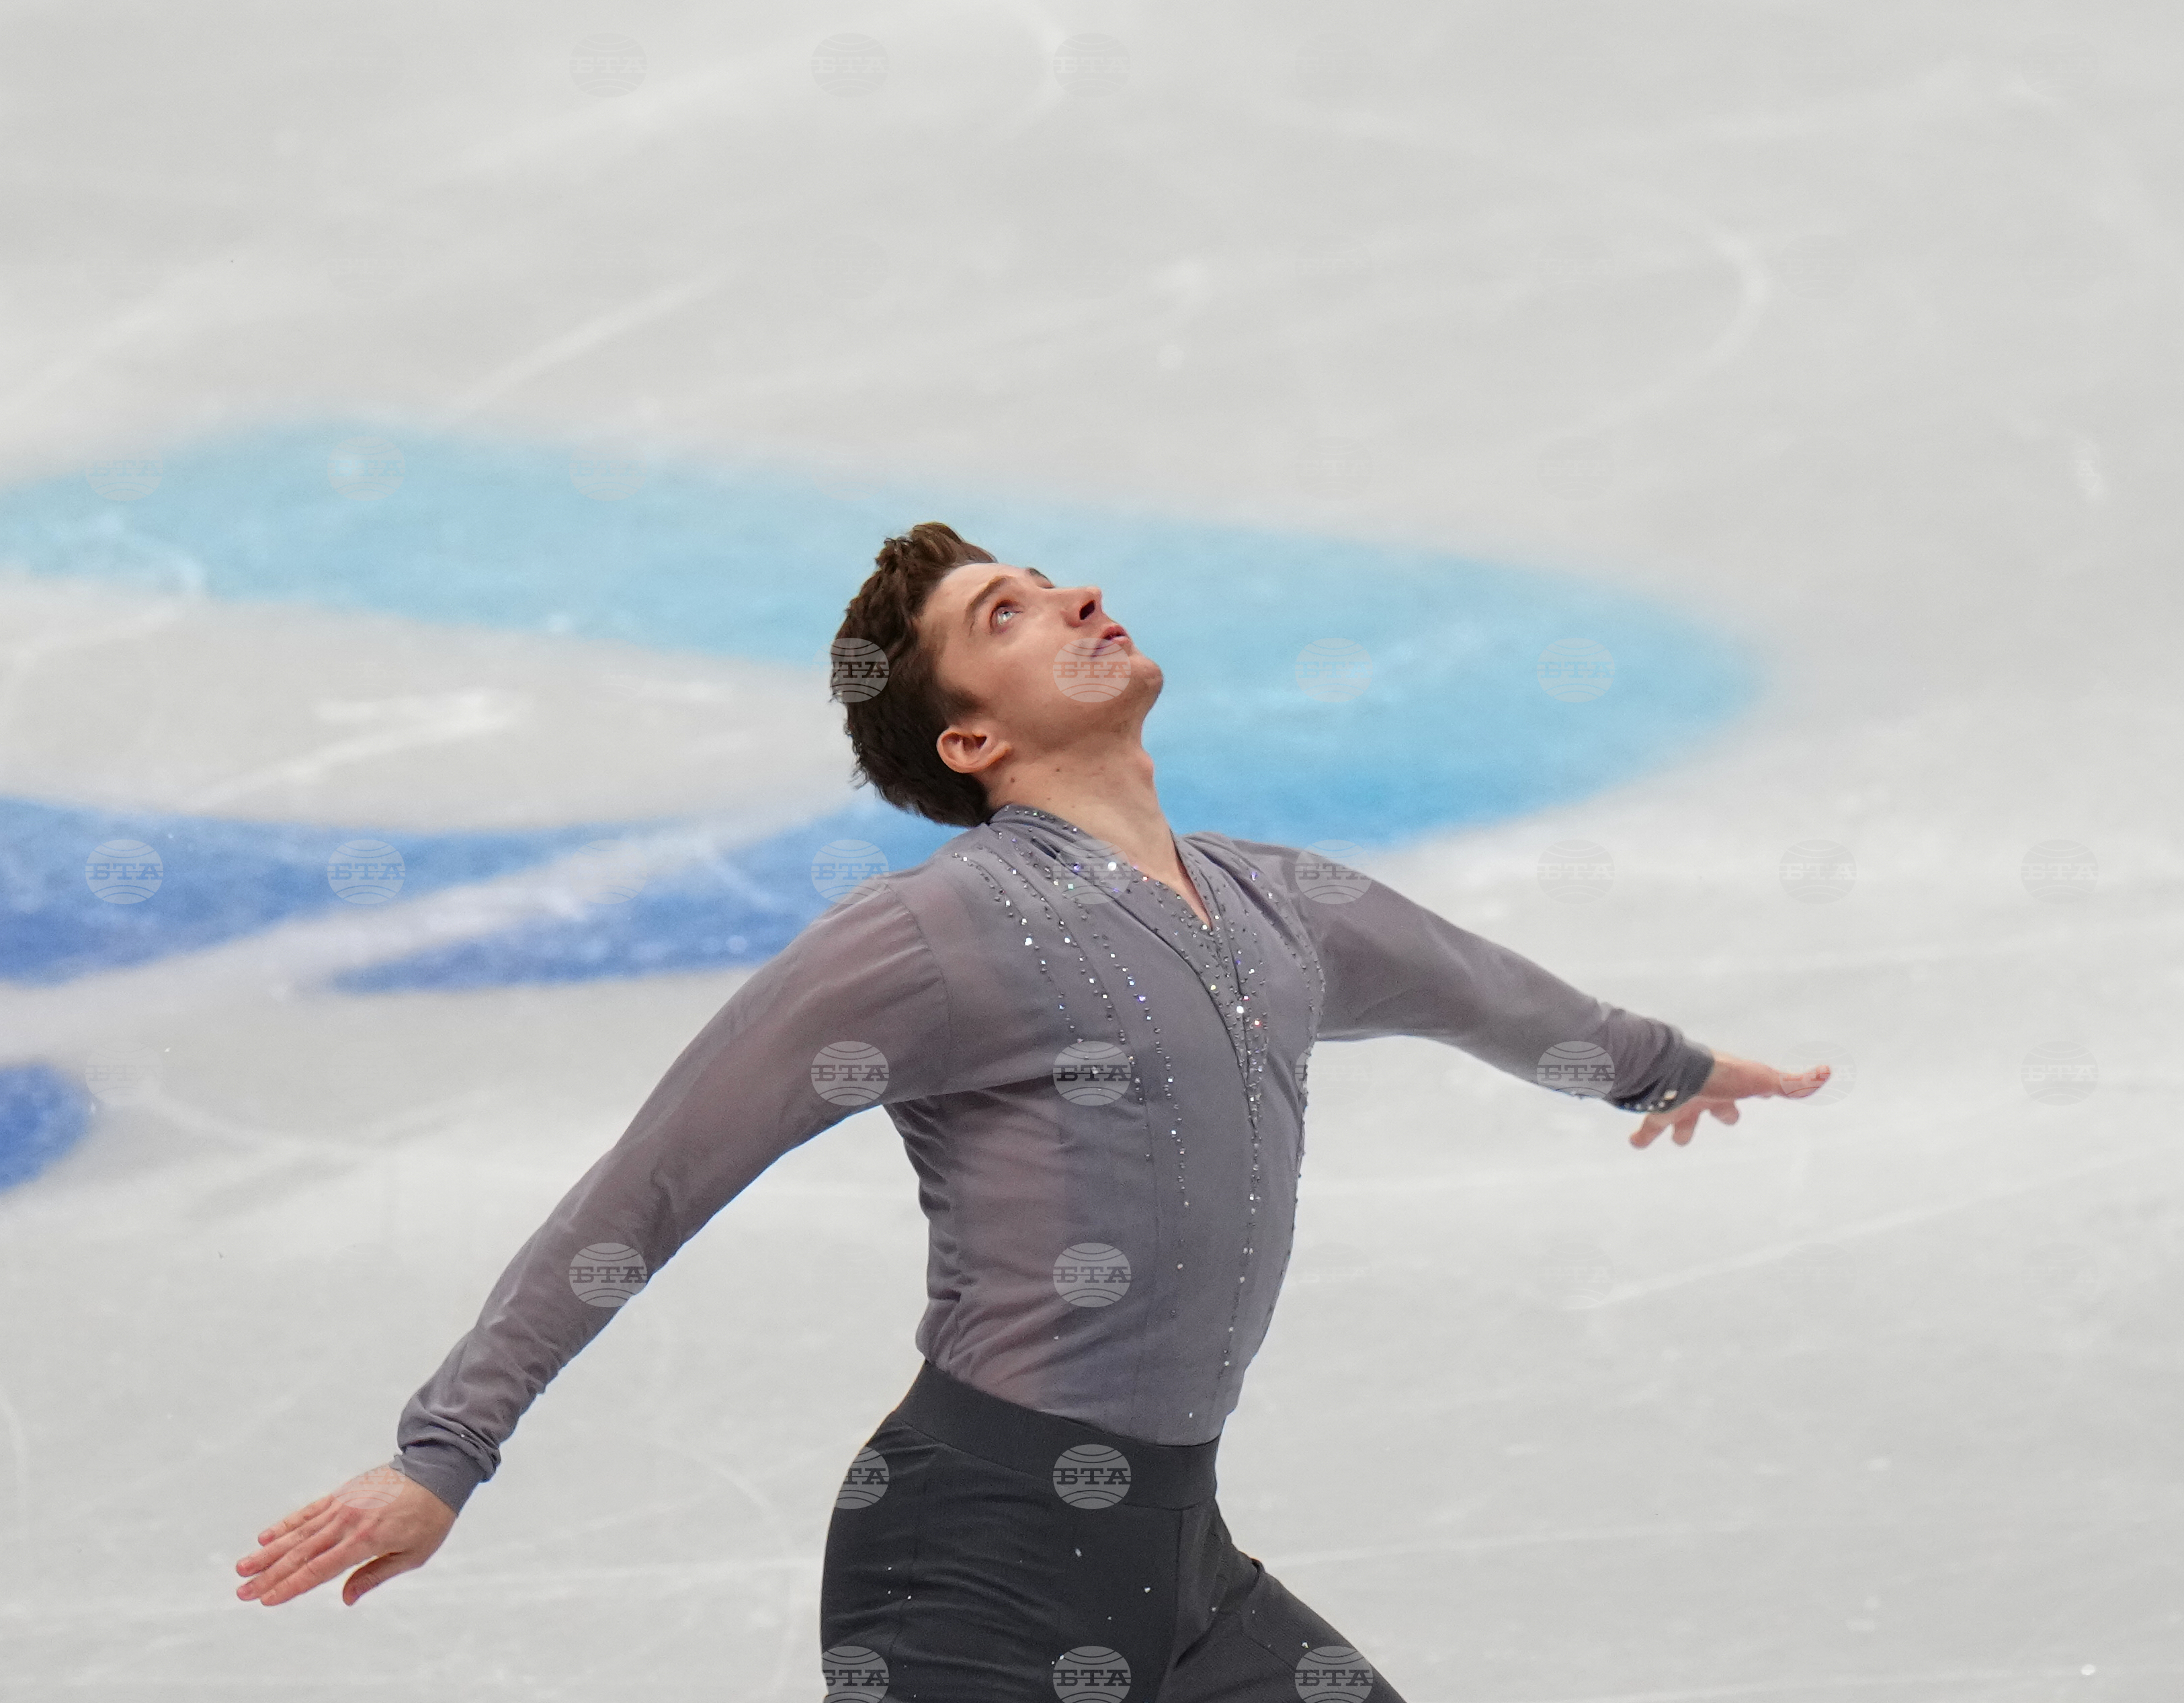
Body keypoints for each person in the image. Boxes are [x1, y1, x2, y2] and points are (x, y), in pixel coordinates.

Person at [239, 524, 1826, 1690]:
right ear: (971, 738)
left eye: (1051, 575)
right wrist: (447, 1449)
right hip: (967, 1571)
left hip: (1178, 1567)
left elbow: (1486, 992)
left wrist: (1665, 1066)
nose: (1072, 592)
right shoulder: (932, 934)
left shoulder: (1275, 902)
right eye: (1003, 610)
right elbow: (651, 1179)